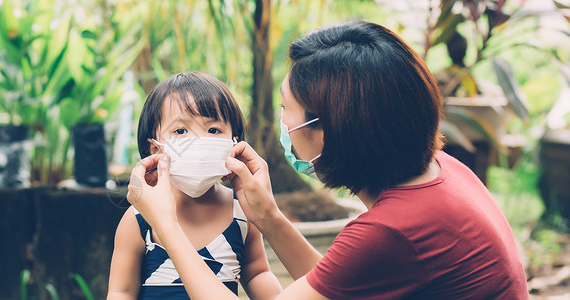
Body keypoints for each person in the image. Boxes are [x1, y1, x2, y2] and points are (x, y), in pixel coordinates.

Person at [126, 22, 529, 299]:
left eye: (286, 109)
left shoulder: (390, 232)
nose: (280, 123)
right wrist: (270, 218)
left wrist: (165, 224)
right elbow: (340, 283)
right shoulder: (442, 170)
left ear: (328, 129)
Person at [107, 72, 283, 299]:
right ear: (156, 149)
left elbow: (257, 273)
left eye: (213, 130)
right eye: (180, 131)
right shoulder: (140, 218)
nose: (199, 141)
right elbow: (121, 291)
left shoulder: (243, 211)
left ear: (235, 143)